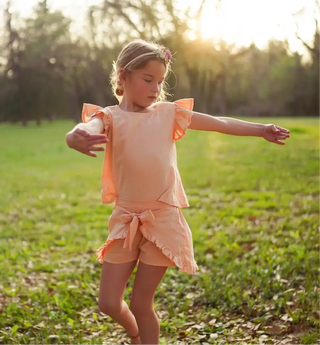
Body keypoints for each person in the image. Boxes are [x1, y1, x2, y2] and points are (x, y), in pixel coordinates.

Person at [65, 39, 290, 345]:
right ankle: (134, 333)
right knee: (107, 303)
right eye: (148, 79)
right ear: (123, 76)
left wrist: (260, 128)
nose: (156, 88)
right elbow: (87, 129)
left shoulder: (168, 113)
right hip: (126, 219)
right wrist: (74, 137)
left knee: (141, 304)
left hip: (163, 219)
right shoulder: (109, 117)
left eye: (160, 81)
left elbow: (220, 123)